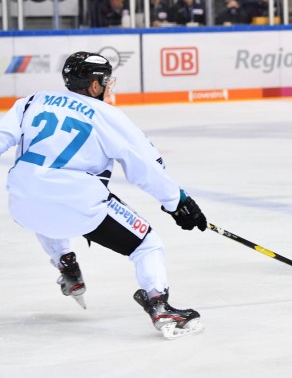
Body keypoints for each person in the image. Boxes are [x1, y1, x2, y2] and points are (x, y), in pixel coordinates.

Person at [0, 51, 208, 339]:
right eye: (105, 81)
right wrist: (177, 203)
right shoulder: (108, 116)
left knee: (41, 199)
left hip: (22, 204)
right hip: (80, 205)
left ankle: (66, 263)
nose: (108, 86)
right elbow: (144, 166)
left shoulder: (31, 101)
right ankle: (159, 304)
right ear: (94, 85)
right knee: (147, 245)